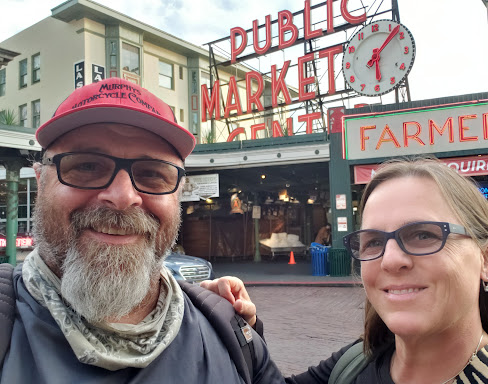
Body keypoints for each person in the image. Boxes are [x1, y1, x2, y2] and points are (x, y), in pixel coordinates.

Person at [0, 78, 284, 383]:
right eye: (86, 166)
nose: (123, 198)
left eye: (151, 173)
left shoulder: (225, 326)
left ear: (176, 195)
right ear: (41, 183)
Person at [202, 157, 488, 383]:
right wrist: (242, 328)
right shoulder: (357, 361)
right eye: (374, 241)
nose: (391, 260)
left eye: (423, 235)